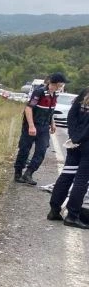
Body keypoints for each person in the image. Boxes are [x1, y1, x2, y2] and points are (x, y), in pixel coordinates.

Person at [13, 72, 66, 185]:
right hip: (31, 125)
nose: (62, 87)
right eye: (61, 84)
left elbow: (50, 111)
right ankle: (18, 174)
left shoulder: (55, 95)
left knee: (41, 151)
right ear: (56, 83)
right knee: (24, 149)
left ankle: (28, 174)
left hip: (43, 127)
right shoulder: (39, 92)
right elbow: (28, 109)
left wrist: (53, 123)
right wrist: (31, 126)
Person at [47, 87, 89, 229]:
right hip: (86, 145)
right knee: (82, 180)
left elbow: (71, 115)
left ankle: (54, 209)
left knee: (67, 175)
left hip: (74, 143)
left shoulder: (84, 93)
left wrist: (74, 137)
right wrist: (80, 138)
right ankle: (72, 216)